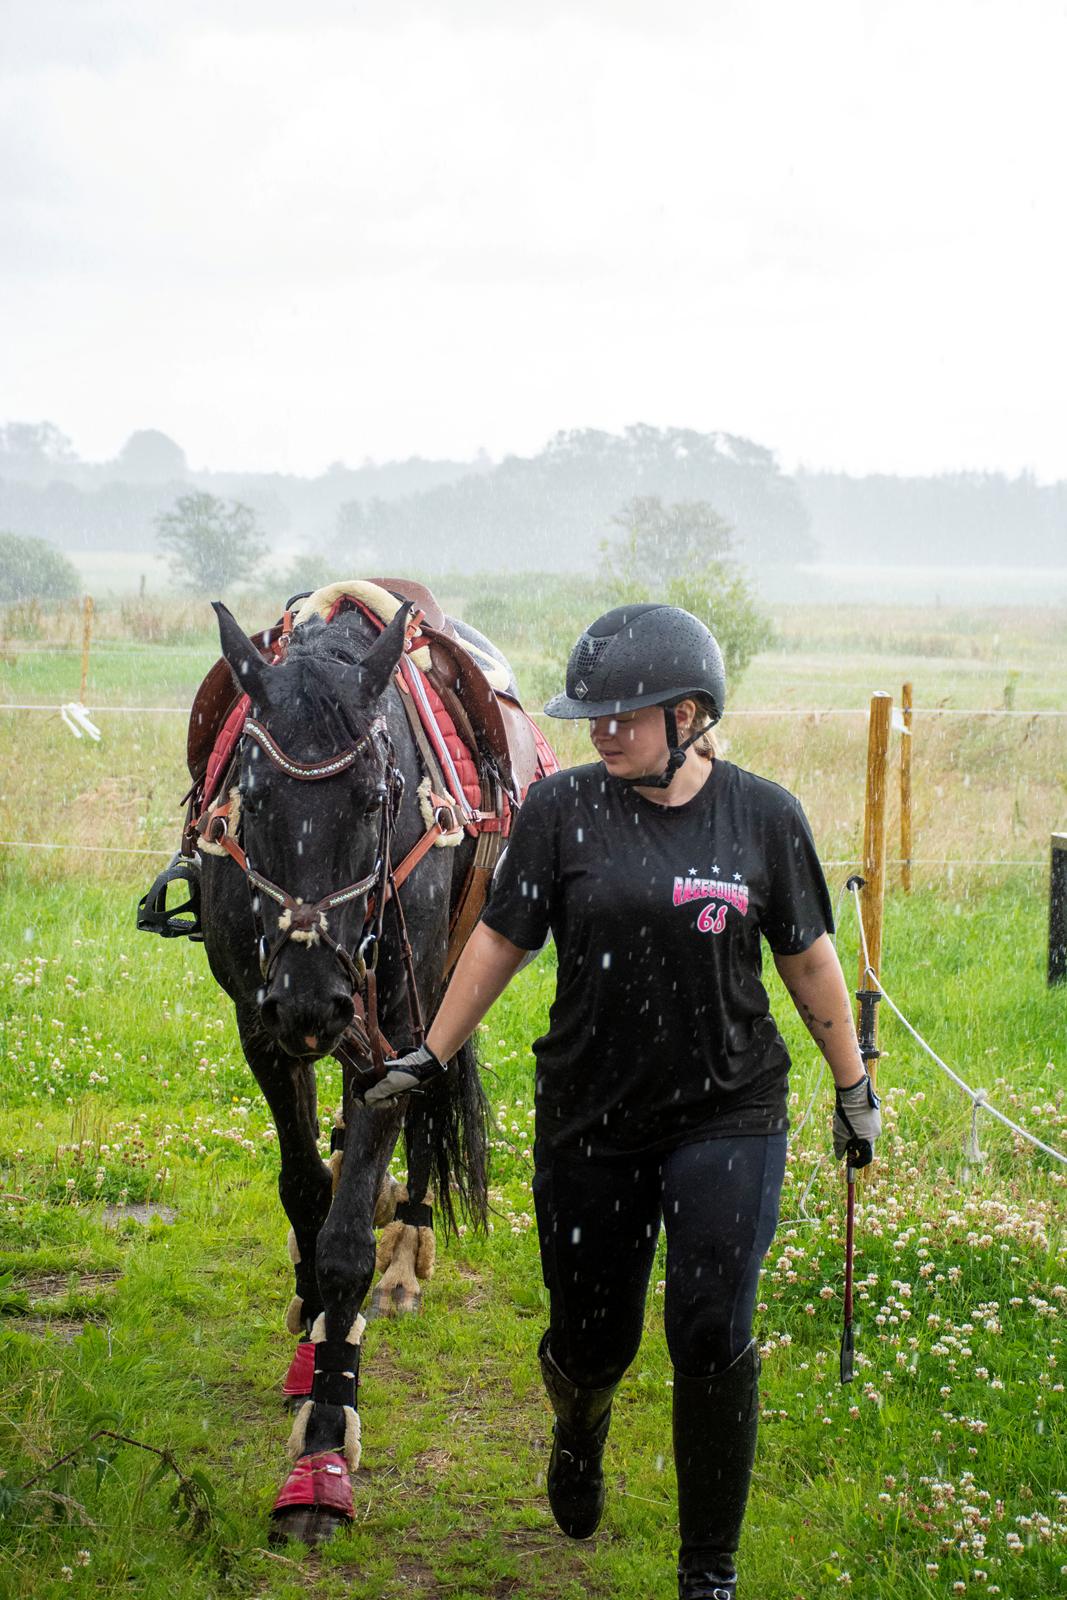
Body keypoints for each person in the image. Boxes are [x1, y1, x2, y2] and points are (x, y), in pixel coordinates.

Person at [362, 603, 881, 1600]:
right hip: (588, 1117)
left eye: (622, 714)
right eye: (590, 714)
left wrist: (851, 1085)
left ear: (688, 713)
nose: (600, 731)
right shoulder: (560, 812)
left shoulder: (762, 817)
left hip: (727, 1111)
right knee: (592, 1336)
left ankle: (707, 1572)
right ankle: (581, 1418)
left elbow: (807, 958)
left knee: (707, 1322)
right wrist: (430, 1055)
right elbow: (500, 940)